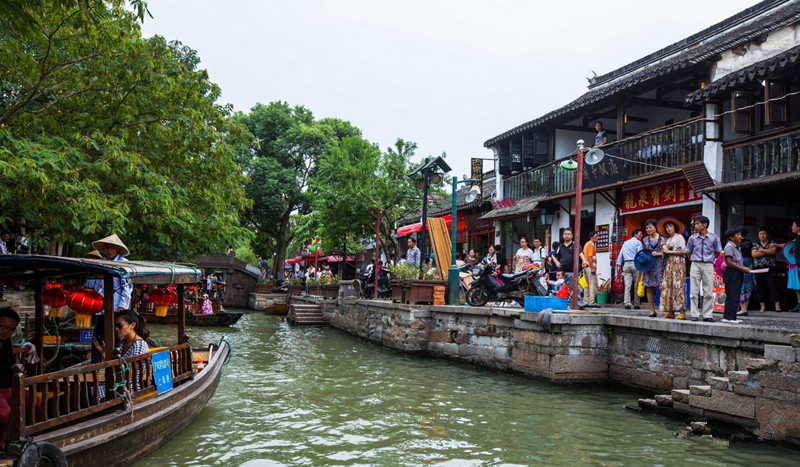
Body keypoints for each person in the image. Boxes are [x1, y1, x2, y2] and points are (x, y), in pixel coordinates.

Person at [0, 308, 37, 441]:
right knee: (4, 413)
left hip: (9, 387)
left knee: (35, 401)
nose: (5, 331)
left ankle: (32, 437)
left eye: (10, 328)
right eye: (2, 326)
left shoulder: (7, 343)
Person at [680, 216, 723, 322]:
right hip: (695, 264)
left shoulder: (714, 237)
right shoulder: (692, 238)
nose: (695, 226)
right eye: (695, 224)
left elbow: (718, 252)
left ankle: (707, 314)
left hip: (708, 264)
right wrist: (694, 260)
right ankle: (694, 313)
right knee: (694, 290)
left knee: (708, 290)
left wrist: (710, 259)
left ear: (705, 225)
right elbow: (688, 252)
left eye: (697, 224)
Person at [722, 228, 751, 324]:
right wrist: (741, 268)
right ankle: (729, 317)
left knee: (735, 294)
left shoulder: (736, 246)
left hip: (737, 272)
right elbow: (729, 262)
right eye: (738, 235)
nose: (740, 237)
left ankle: (732, 316)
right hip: (732, 272)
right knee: (732, 295)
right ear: (731, 237)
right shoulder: (729, 246)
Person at [659, 221, 687, 320]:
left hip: (678, 262)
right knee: (668, 286)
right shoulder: (668, 239)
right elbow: (664, 254)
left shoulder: (679, 237)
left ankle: (682, 311)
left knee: (678, 285)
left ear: (674, 227)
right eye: (666, 227)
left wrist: (669, 251)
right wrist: (663, 246)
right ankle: (670, 311)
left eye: (670, 226)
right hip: (669, 263)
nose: (668, 228)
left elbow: (684, 251)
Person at [751, 227, 781, 313]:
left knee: (773, 286)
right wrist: (766, 251)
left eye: (764, 234)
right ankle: (762, 306)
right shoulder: (755, 244)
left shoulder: (772, 243)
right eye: (760, 234)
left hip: (771, 268)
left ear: (767, 235)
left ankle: (777, 305)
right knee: (760, 287)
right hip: (758, 268)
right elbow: (754, 255)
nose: (762, 235)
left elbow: (773, 252)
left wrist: (760, 250)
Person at [642, 219, 666, 317]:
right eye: (647, 228)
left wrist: (659, 254)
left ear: (656, 227)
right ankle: (652, 310)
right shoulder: (645, 240)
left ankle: (665, 309)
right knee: (649, 287)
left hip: (660, 265)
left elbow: (667, 252)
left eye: (650, 227)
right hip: (649, 265)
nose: (648, 229)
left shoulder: (663, 239)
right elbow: (643, 252)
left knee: (662, 287)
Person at [616, 229, 643, 310]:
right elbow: (640, 254)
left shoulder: (625, 243)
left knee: (627, 285)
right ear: (635, 234)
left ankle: (627, 302)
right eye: (640, 234)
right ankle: (636, 303)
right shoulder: (638, 243)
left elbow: (621, 254)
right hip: (635, 263)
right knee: (636, 284)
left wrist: (619, 264)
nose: (641, 235)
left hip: (626, 264)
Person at [780, 218, 800, 313]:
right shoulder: (797, 239)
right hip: (797, 265)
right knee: (797, 286)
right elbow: (789, 246)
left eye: (793, 225)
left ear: (798, 227)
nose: (792, 227)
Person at [737, 230, 755, 316]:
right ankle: (745, 308)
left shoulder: (737, 243)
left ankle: (743, 309)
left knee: (741, 287)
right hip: (749, 265)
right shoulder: (750, 243)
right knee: (747, 287)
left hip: (740, 265)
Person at [582, 231, 599, 308]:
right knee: (592, 284)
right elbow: (590, 257)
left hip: (585, 266)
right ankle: (591, 302)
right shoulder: (591, 244)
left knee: (586, 285)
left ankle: (586, 301)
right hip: (589, 267)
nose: (597, 238)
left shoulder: (587, 244)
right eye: (596, 236)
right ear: (591, 237)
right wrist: (592, 268)